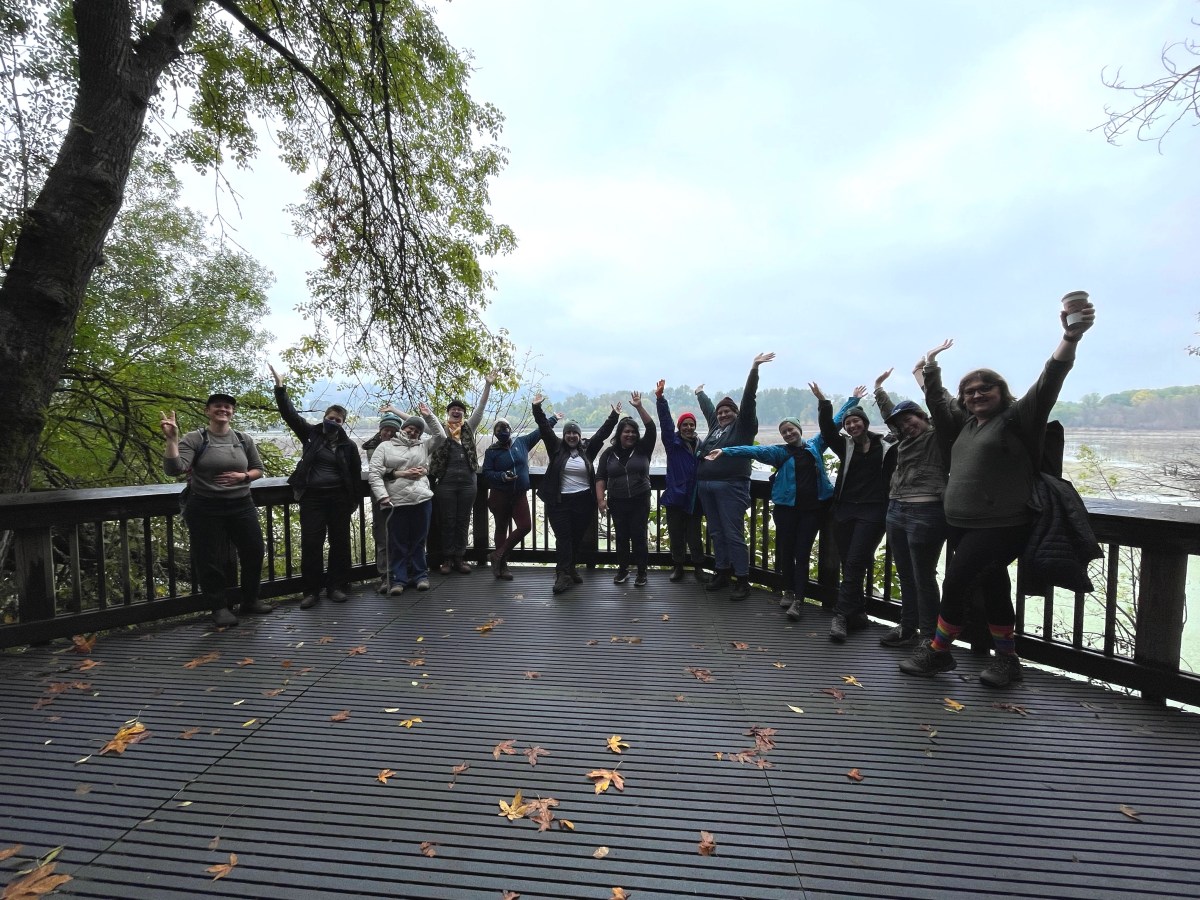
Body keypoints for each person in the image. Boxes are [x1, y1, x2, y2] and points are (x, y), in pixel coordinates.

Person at [900, 299, 1096, 687]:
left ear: (1002, 391)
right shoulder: (965, 425)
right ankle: (1008, 660)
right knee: (993, 586)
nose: (976, 394)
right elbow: (936, 401)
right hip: (960, 523)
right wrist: (928, 368)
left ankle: (938, 652)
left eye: (985, 388)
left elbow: (1051, 377)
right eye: (969, 391)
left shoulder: (1020, 418)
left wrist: (1070, 337)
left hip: (1003, 524)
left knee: (955, 583)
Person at [709, 396, 858, 620]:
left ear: (798, 429)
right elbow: (752, 451)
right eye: (784, 432)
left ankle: (798, 599)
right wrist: (726, 451)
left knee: (802, 553)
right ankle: (788, 590)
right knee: (786, 552)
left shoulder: (815, 446)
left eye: (791, 430)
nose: (788, 434)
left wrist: (852, 400)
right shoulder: (780, 453)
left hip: (812, 511)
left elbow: (834, 423)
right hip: (786, 510)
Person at [162, 393, 270, 628]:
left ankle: (250, 599)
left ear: (232, 412)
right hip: (205, 506)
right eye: (218, 406)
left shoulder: (243, 439)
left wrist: (243, 476)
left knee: (254, 550)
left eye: (228, 407)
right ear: (207, 411)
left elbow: (258, 469)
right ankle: (219, 607)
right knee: (209, 558)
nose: (223, 409)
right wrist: (172, 440)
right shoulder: (196, 438)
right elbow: (175, 469)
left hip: (241, 504)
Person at [269, 365, 361, 609]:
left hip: (339, 499)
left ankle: (336, 587)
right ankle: (311, 591)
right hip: (312, 499)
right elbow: (289, 415)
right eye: (330, 418)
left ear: (343, 423)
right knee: (312, 544)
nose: (333, 422)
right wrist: (280, 388)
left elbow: (354, 474)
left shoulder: (348, 446)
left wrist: (353, 501)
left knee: (340, 543)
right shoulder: (311, 434)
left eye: (338, 420)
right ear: (324, 417)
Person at [873, 368, 949, 647]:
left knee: (924, 577)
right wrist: (879, 390)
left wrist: (925, 375)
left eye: (910, 420)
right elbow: (889, 415)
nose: (906, 426)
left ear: (923, 417)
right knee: (905, 573)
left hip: (926, 513)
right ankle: (907, 627)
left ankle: (929, 638)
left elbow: (939, 404)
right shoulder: (904, 440)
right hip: (896, 511)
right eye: (901, 424)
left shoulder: (937, 437)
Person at [814, 383, 890, 643]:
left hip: (873, 512)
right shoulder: (844, 447)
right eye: (848, 423)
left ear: (865, 423)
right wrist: (824, 403)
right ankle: (857, 613)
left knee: (856, 561)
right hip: (844, 511)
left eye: (856, 421)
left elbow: (900, 427)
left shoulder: (886, 447)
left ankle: (840, 616)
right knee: (850, 563)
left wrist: (880, 391)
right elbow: (826, 430)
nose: (851, 426)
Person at [695, 353, 775, 600]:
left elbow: (749, 398)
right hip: (706, 487)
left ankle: (742, 579)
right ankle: (722, 572)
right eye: (720, 412)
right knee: (717, 532)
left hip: (732, 487)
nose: (722, 414)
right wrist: (700, 394)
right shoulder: (715, 428)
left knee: (732, 533)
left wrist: (754, 369)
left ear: (737, 413)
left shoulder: (744, 426)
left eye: (728, 411)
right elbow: (710, 410)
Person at [535, 395, 618, 595]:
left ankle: (571, 568)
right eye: (568, 432)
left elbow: (601, 435)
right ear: (564, 435)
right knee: (563, 537)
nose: (571, 436)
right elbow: (545, 428)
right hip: (559, 501)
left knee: (576, 537)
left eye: (575, 433)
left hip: (583, 501)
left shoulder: (587, 450)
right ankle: (562, 574)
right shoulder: (555, 448)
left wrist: (614, 416)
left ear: (580, 436)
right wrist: (537, 408)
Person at [368, 404, 446, 595]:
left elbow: (441, 436)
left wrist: (428, 416)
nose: (413, 431)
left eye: (417, 430)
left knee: (419, 541)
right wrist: (383, 496)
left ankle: (420, 576)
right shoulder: (385, 447)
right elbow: (375, 474)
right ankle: (399, 579)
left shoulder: (423, 446)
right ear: (402, 429)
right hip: (396, 501)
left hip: (422, 500)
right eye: (410, 428)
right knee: (397, 542)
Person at [428, 372, 496, 574]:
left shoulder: (469, 428)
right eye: (453, 409)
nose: (456, 411)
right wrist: (395, 412)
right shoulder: (440, 430)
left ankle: (460, 557)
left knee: (463, 519)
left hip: (468, 482)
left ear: (463, 414)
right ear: (448, 412)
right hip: (446, 483)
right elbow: (416, 423)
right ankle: (447, 559)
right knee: (447, 520)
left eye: (459, 409)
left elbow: (481, 408)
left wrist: (488, 385)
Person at [482, 411, 562, 580]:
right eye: (498, 429)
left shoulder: (522, 442)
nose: (502, 431)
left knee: (525, 526)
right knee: (501, 528)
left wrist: (553, 419)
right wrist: (502, 476)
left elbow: (540, 431)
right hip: (500, 495)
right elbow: (487, 473)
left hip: (519, 495)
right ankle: (501, 567)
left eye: (505, 427)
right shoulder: (491, 452)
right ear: (495, 433)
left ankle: (498, 555)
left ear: (510, 429)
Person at [595, 392, 658, 586]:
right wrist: (601, 500)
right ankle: (623, 570)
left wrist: (639, 407)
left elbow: (652, 427)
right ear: (619, 434)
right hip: (617, 501)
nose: (630, 434)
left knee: (639, 535)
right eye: (626, 432)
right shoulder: (609, 453)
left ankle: (642, 572)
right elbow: (600, 477)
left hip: (640, 499)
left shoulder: (643, 448)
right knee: (621, 537)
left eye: (633, 432)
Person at [655, 380, 705, 583]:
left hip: (694, 498)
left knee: (695, 535)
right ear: (680, 427)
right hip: (675, 497)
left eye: (691, 424)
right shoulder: (672, 443)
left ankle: (699, 568)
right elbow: (666, 424)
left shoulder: (702, 445)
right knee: (676, 535)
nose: (688, 427)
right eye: (685, 425)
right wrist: (660, 399)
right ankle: (678, 566)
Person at [362, 411, 404, 592]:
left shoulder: (405, 444)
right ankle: (386, 576)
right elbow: (379, 470)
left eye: (393, 431)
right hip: (380, 495)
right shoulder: (373, 447)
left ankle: (403, 574)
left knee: (403, 534)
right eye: (386, 430)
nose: (388, 434)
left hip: (402, 493)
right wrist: (399, 470)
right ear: (380, 430)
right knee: (382, 536)